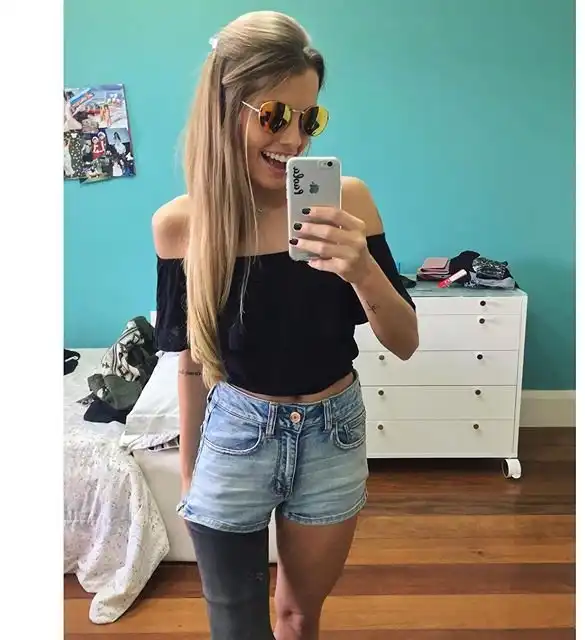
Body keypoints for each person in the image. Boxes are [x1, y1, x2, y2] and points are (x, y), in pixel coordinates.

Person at [152, 11, 418, 640]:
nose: (295, 139)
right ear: (225, 110)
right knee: (236, 626)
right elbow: (191, 360)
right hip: (235, 432)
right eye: (275, 116)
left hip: (333, 433)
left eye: (309, 118)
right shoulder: (182, 226)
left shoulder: (349, 201)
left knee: (299, 618)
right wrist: (190, 474)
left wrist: (362, 269)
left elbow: (405, 342)